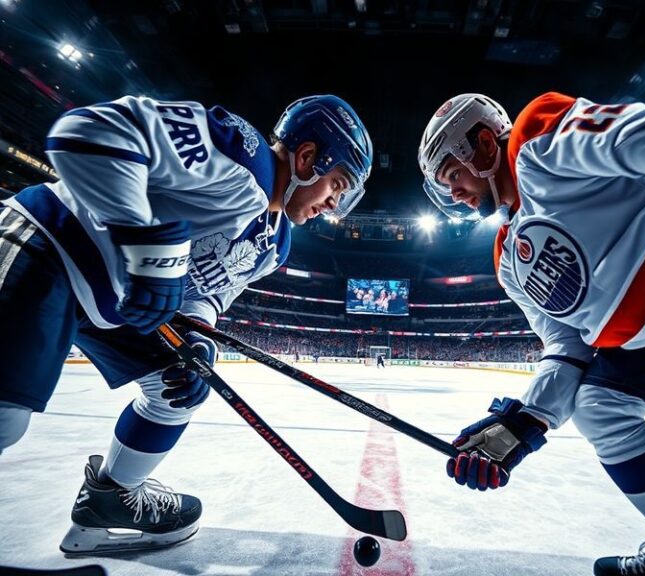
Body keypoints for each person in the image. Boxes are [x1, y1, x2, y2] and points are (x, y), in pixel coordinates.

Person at [0, 93, 373, 554]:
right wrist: (147, 244)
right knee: (3, 418)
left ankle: (109, 500)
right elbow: (86, 131)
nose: (333, 204)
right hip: (52, 243)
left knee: (175, 389)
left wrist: (198, 343)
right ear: (307, 157)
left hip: (117, 301)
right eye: (336, 184)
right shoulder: (240, 153)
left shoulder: (275, 245)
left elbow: (206, 295)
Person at [418, 92, 645, 576]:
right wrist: (523, 424)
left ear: (482, 144)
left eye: (453, 175)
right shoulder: (506, 262)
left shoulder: (535, 140)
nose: (454, 193)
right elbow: (566, 346)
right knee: (601, 408)